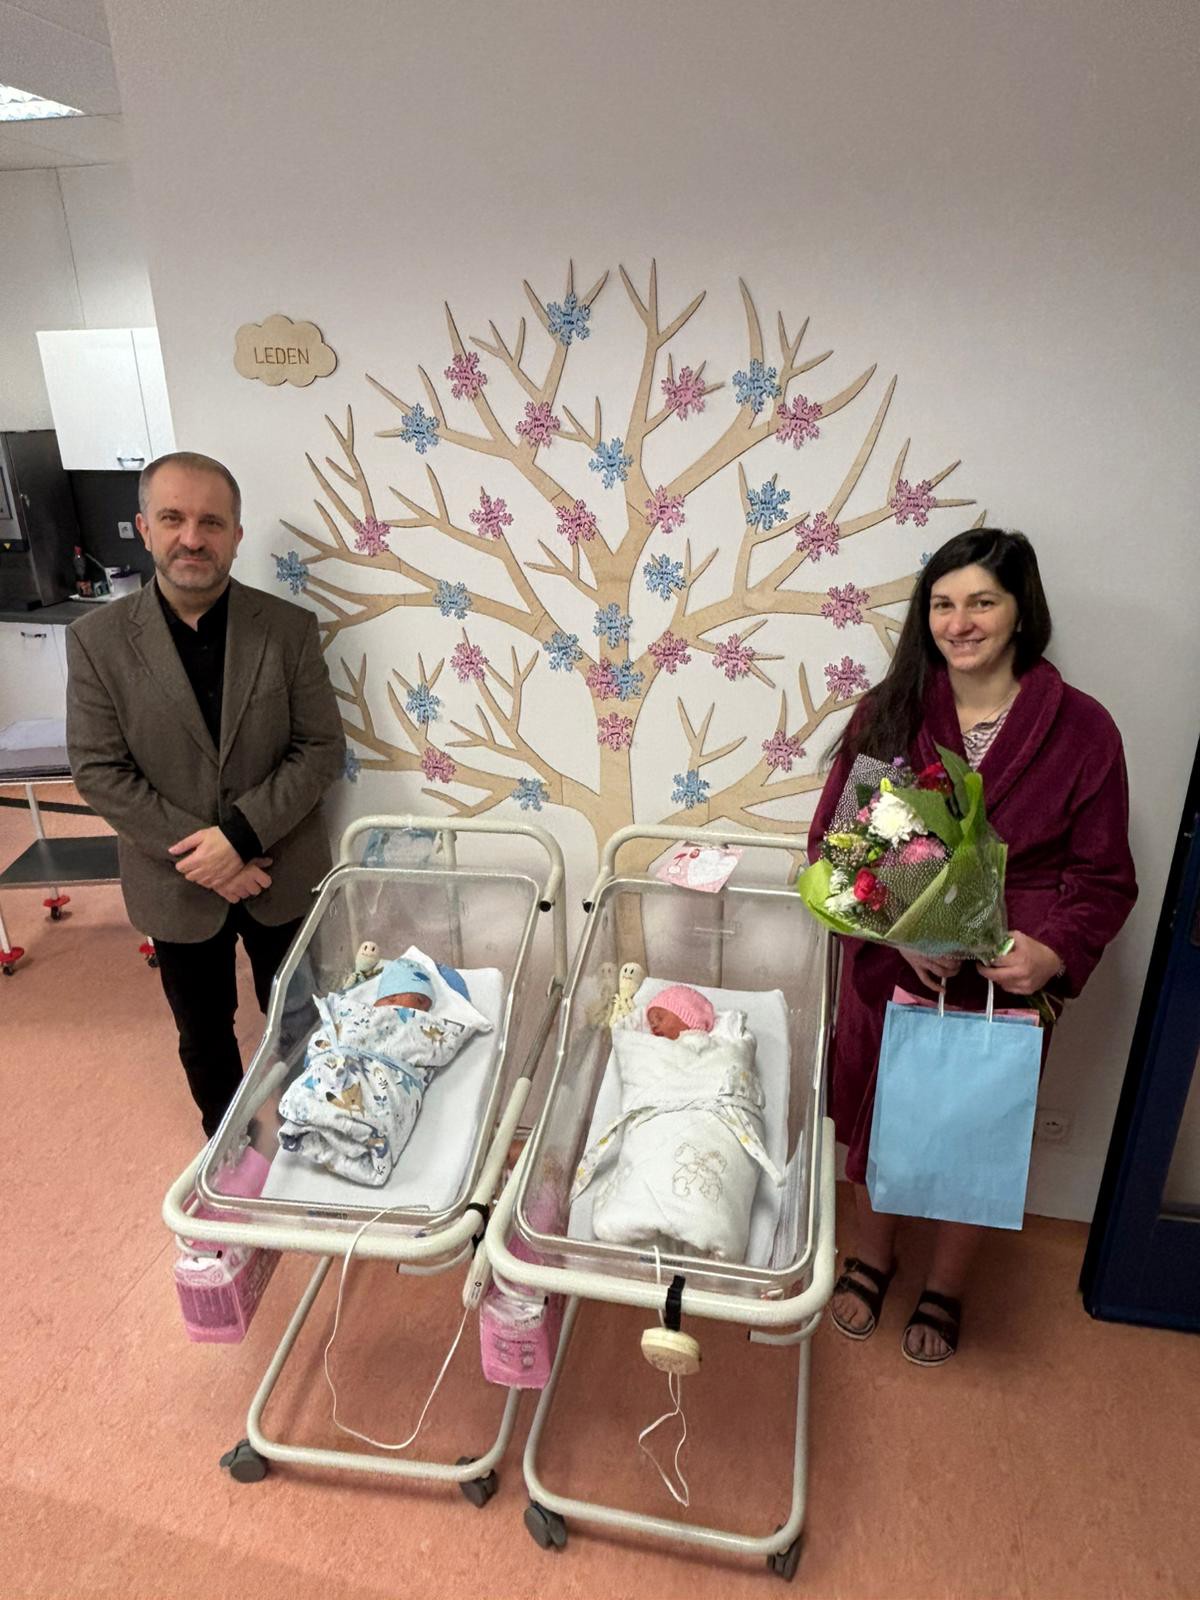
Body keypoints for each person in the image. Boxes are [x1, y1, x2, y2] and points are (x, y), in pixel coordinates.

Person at [808, 529, 1136, 1366]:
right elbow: (838, 849)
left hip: (1009, 980)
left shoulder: (1083, 729)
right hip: (897, 970)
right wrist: (903, 929)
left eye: (982, 602)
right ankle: (871, 1258)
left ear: (1022, 610)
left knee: (977, 1128)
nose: (960, 623)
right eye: (943, 604)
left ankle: (946, 1285)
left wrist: (1053, 953)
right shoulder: (891, 711)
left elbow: (1103, 877)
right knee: (877, 1119)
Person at [66, 451, 345, 1139]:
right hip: (174, 884)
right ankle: (230, 1156)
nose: (192, 538)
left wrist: (240, 839)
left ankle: (318, 1145)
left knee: (304, 1019)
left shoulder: (288, 630)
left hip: (279, 869)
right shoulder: (96, 642)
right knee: (203, 1033)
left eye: (211, 522)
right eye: (173, 518)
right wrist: (211, 860)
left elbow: (319, 749)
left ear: (236, 535)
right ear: (145, 528)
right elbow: (99, 770)